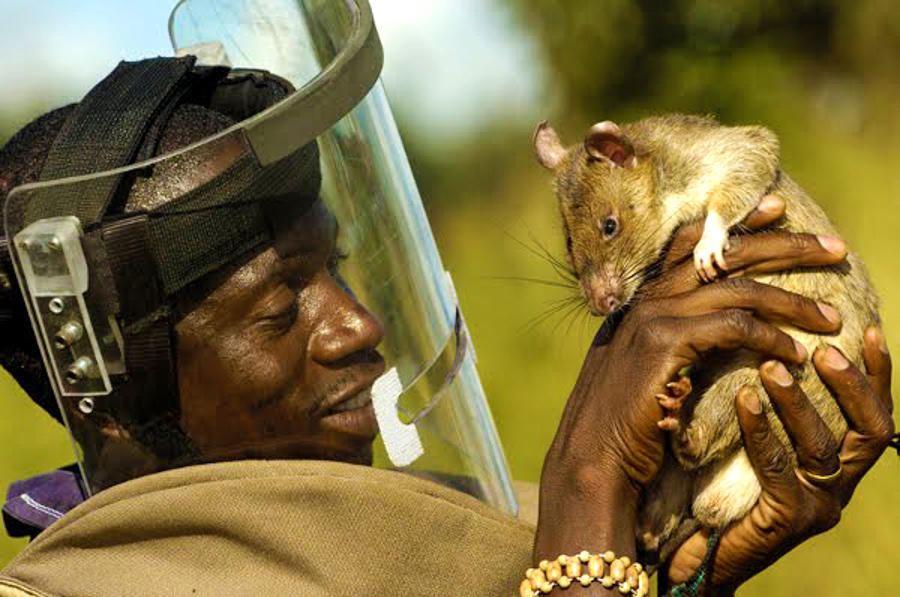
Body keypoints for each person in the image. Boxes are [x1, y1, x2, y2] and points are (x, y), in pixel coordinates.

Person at [0, 1, 893, 595]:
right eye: (279, 312)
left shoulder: (460, 522)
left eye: (340, 269)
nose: (362, 324)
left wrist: (684, 566)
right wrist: (586, 490)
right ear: (107, 403)